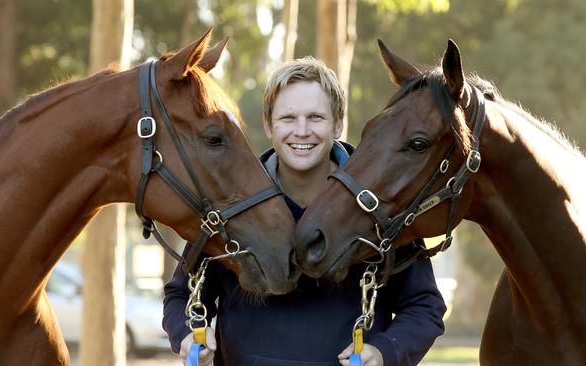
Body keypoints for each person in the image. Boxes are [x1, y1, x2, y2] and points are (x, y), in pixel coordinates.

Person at [163, 57, 446, 366]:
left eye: (315, 117)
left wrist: (384, 351)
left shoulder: (380, 199)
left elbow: (423, 305)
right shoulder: (230, 201)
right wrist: (189, 334)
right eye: (288, 118)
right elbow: (183, 296)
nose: (301, 131)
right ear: (268, 125)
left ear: (338, 124)